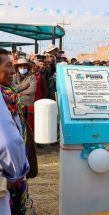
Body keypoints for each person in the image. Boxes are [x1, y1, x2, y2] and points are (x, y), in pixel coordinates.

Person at [0, 48, 29, 214]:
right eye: (9, 65)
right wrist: (4, 182)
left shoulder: (10, 98)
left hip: (15, 179)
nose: (13, 71)